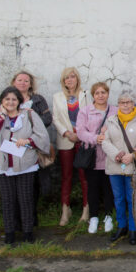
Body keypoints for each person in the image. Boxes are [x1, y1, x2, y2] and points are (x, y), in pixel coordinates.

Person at [0, 87, 50, 244]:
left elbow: (42, 135)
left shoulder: (29, 115)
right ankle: (10, 233)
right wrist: (2, 116)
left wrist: (29, 141)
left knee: (25, 198)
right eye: (7, 99)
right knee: (8, 200)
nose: (10, 102)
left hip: (25, 162)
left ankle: (27, 232)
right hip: (3, 163)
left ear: (19, 101)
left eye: (14, 99)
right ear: (2, 101)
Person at [102, 90, 136, 245]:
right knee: (118, 198)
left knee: (133, 199)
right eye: (122, 102)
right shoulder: (111, 120)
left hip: (133, 166)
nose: (125, 105)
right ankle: (121, 226)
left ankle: (133, 228)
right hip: (115, 165)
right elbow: (105, 141)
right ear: (118, 104)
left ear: (133, 103)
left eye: (129, 102)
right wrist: (117, 154)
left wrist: (133, 155)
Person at [11, 71, 53, 227]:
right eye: (19, 80)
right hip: (14, 147)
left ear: (30, 84)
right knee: (14, 185)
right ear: (14, 82)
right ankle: (16, 219)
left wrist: (31, 122)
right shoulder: (8, 98)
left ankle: (31, 217)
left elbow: (48, 119)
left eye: (26, 81)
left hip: (33, 146)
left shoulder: (37, 99)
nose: (22, 83)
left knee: (33, 184)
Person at [76, 82, 117, 234]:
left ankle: (108, 216)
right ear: (93, 95)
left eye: (103, 92)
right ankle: (93, 217)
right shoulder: (85, 111)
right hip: (92, 156)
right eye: (97, 93)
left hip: (109, 156)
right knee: (92, 188)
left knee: (109, 188)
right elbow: (80, 131)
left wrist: (108, 133)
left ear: (108, 94)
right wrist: (95, 138)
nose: (101, 95)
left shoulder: (115, 110)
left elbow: (120, 129)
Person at [52, 67, 90, 226]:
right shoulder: (57, 97)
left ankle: (86, 209)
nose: (70, 80)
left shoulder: (86, 95)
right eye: (66, 78)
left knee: (84, 177)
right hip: (66, 140)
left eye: (72, 77)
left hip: (83, 140)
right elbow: (55, 118)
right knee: (67, 176)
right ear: (63, 81)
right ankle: (65, 209)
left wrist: (80, 134)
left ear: (77, 79)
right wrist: (67, 133)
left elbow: (90, 115)